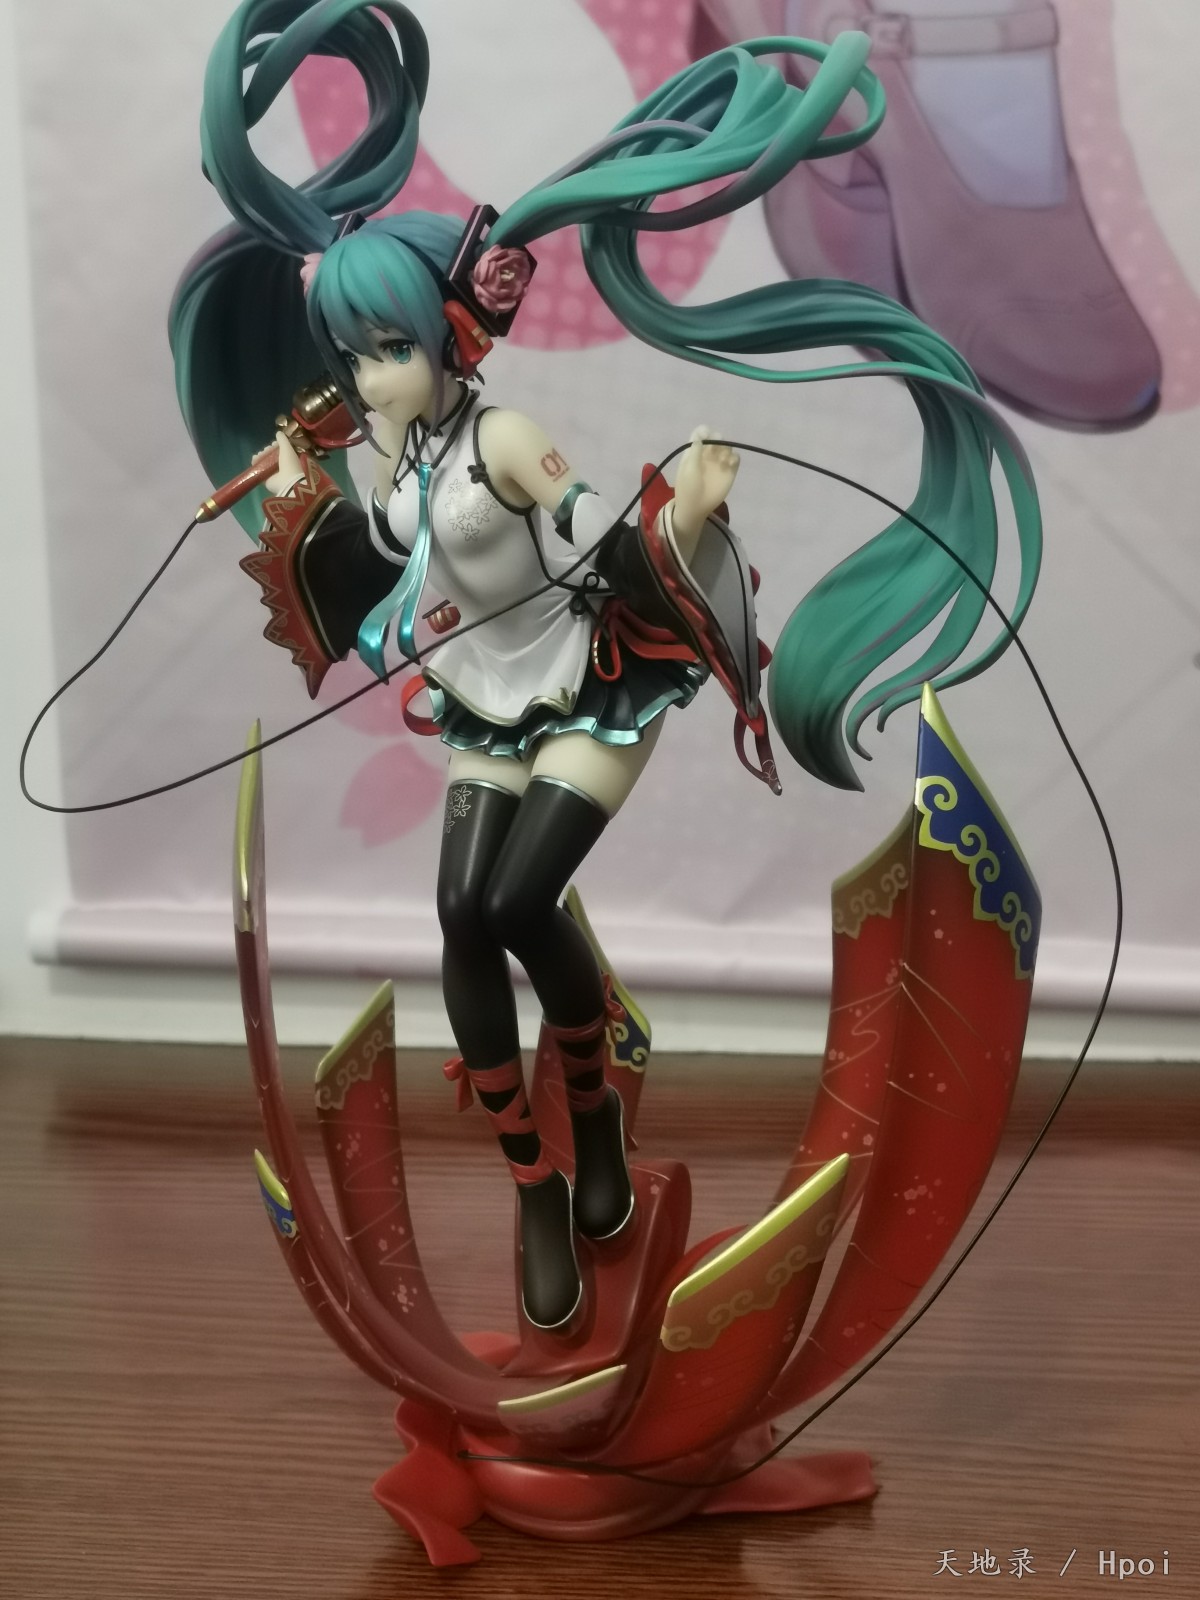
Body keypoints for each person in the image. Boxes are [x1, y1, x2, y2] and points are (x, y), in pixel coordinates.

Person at [170, 0, 1042, 1331]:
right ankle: (534, 1182)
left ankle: (596, 1128)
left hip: (587, 686)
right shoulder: (397, 460)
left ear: (449, 337)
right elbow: (398, 567)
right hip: (482, 704)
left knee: (522, 904)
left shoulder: (507, 439)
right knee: (460, 917)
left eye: (390, 349)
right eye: (354, 355)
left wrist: (687, 511)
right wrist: (307, 505)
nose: (371, 377)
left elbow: (592, 535)